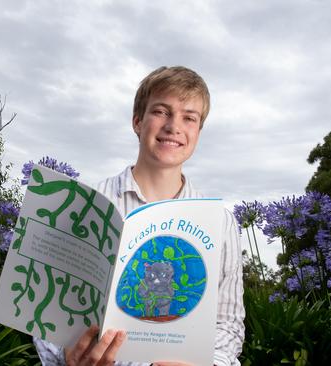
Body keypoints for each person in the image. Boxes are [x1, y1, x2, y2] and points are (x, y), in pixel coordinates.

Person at [34, 66, 245, 365]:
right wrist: (68, 354)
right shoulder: (85, 206)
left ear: (198, 130)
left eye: (189, 117)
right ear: (137, 121)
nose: (174, 126)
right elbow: (48, 317)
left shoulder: (221, 223)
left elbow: (228, 326)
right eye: (161, 111)